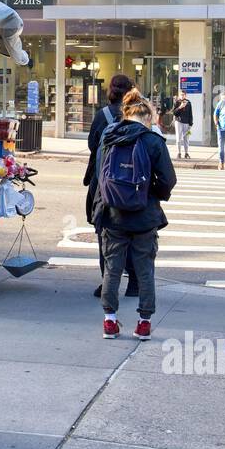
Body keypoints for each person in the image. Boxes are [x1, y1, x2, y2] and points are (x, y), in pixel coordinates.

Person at [92, 90, 177, 340]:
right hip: (144, 214)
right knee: (145, 269)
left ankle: (109, 321)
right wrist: (151, 194)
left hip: (113, 213)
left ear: (125, 112)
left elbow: (100, 173)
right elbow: (168, 180)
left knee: (112, 268)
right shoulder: (152, 141)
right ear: (148, 115)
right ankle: (143, 322)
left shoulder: (110, 136)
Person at [84, 75, 142, 299]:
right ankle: (135, 282)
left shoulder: (103, 116)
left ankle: (107, 283)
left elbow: (92, 144)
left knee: (106, 233)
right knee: (131, 234)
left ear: (111, 91)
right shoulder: (138, 115)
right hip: (133, 185)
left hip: (106, 185)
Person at [172, 90, 194, 160]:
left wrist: (190, 123)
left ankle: (186, 153)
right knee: (178, 138)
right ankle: (179, 153)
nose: (182, 96)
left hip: (186, 123)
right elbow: (174, 113)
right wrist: (180, 107)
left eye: (183, 95)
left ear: (185, 95)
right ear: (179, 95)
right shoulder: (177, 102)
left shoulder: (188, 103)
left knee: (186, 139)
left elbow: (190, 114)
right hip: (179, 122)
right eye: (181, 95)